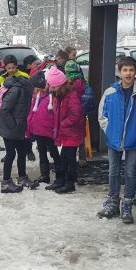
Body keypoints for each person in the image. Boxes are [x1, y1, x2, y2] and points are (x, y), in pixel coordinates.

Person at [96, 56, 136, 222]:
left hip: (133, 142)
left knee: (130, 172)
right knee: (113, 171)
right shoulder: (110, 92)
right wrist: (110, 132)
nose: (128, 73)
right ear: (119, 72)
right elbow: (102, 115)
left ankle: (127, 204)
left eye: (131, 70)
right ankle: (113, 201)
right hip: (114, 141)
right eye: (125, 70)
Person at [0, 58, 34, 193]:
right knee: (11, 154)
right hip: (11, 128)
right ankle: (6, 182)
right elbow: (5, 109)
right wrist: (13, 125)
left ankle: (22, 177)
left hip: (19, 127)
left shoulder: (25, 88)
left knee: (22, 151)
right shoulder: (16, 90)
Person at [48, 66, 84, 194]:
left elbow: (76, 114)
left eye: (53, 86)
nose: (51, 89)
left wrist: (62, 124)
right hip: (65, 132)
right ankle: (61, 180)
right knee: (64, 158)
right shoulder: (59, 94)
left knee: (69, 159)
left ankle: (69, 183)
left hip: (72, 132)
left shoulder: (72, 96)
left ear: (60, 84)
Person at [26, 70, 58, 185]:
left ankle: (60, 176)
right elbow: (31, 113)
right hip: (38, 130)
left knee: (54, 153)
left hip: (49, 131)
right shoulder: (36, 97)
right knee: (42, 153)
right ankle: (44, 176)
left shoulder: (52, 96)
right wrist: (29, 127)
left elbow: (55, 113)